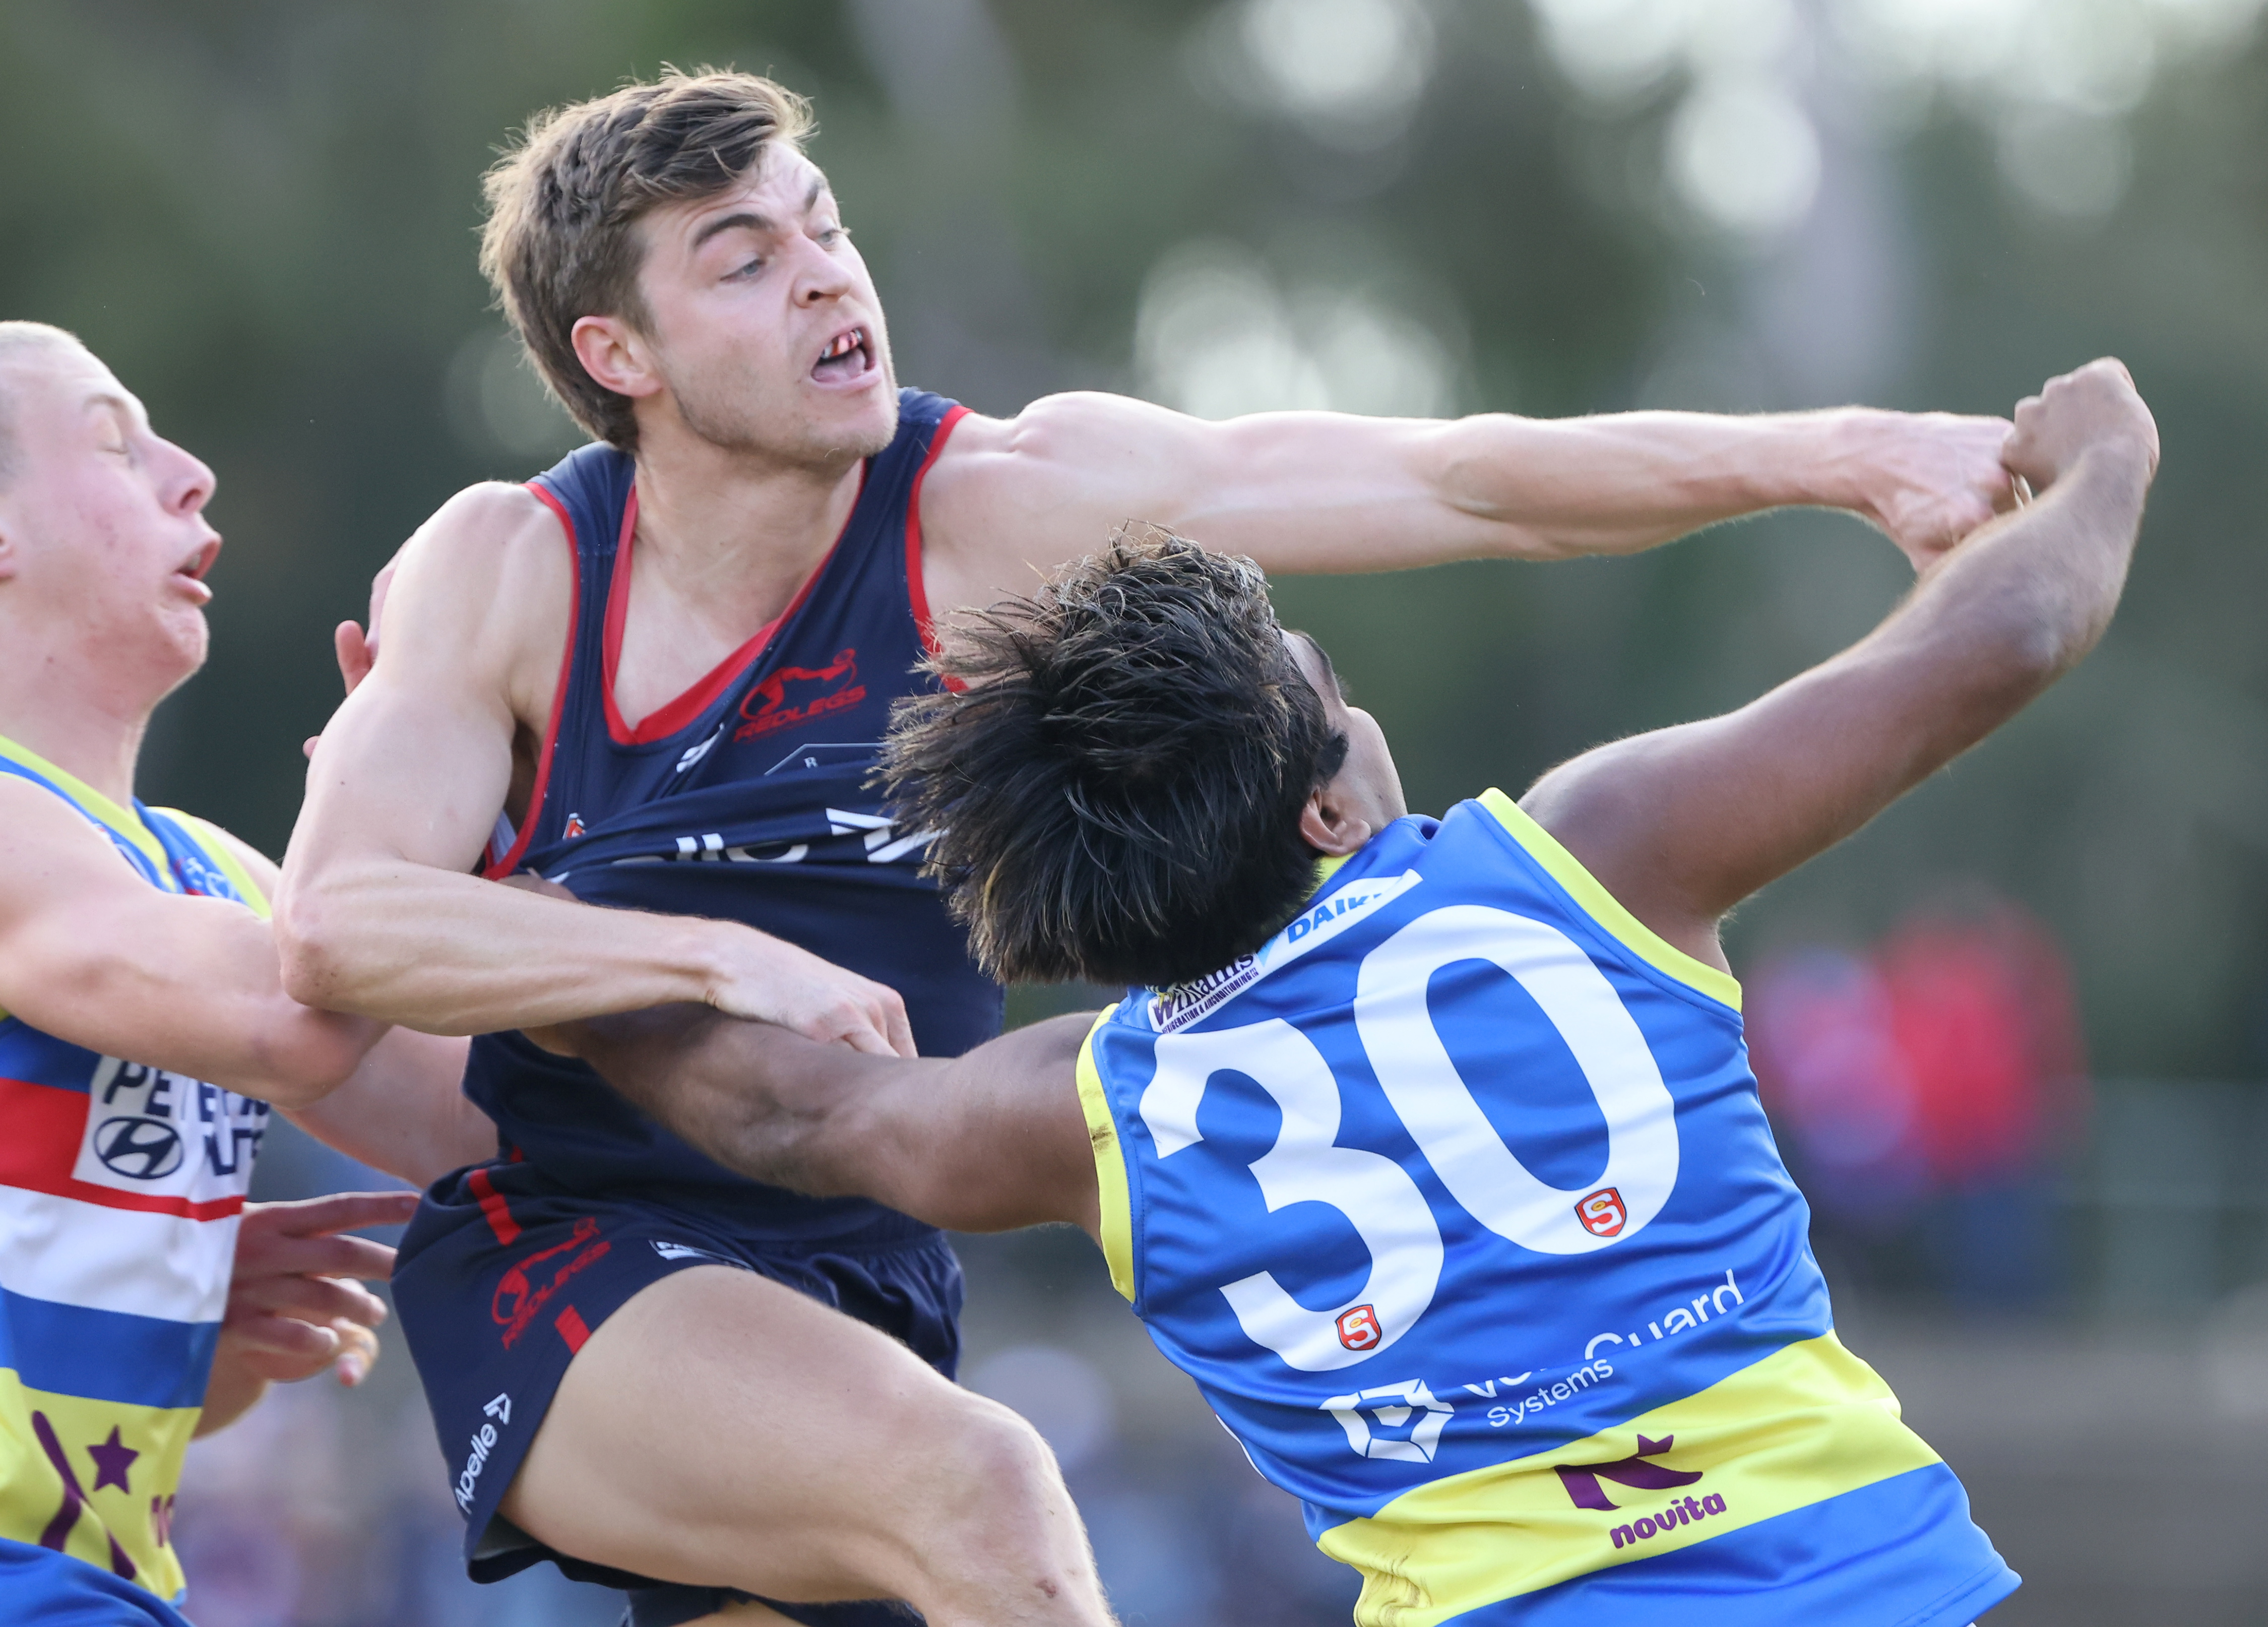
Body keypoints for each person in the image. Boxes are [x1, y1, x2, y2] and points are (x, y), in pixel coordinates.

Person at [273, 67, 2027, 1627]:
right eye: (743, 260)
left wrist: (1841, 453)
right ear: (618, 355)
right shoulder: (512, 566)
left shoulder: (991, 506)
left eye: (825, 225)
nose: (824, 274)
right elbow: (340, 924)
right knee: (983, 1490)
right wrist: (704, 953)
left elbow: (1457, 479)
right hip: (583, 1243)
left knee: (931, 1493)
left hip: (866, 1254)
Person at [548, 360, 2156, 1624]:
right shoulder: (1593, 856)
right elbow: (2010, 625)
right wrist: (2104, 457)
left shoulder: (1080, 1113)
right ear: (1328, 806)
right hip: (1867, 1584)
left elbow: (788, 1108)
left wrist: (539, 937)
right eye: (1328, 683)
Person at [0, 322, 488, 1625]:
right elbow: (292, 1014)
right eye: (116, 443)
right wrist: (415, 775)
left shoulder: (205, 867)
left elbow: (488, 1123)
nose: (192, 473)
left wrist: (175, 1323)